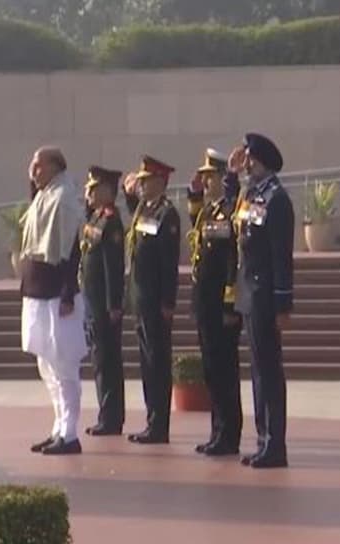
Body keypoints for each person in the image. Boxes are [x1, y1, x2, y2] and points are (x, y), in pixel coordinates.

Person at [19, 146, 88, 456]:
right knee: (46, 364)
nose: (32, 170)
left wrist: (67, 290)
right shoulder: (44, 195)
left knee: (64, 365)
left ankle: (70, 433)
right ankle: (58, 426)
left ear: (54, 166)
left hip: (57, 294)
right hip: (36, 291)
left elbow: (72, 248)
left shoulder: (64, 197)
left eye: (37, 165)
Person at [230, 133, 294, 469]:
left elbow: (281, 256)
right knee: (257, 371)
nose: (246, 163)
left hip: (267, 295)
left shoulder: (276, 199)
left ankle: (275, 444)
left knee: (269, 371)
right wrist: (231, 176)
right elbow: (232, 219)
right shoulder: (252, 194)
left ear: (262, 161)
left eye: (250, 158)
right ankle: (262, 439)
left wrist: (283, 304)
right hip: (250, 294)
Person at [186, 149, 243, 456]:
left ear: (223, 178)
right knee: (211, 369)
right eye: (204, 178)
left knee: (224, 370)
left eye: (210, 177)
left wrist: (230, 304)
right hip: (205, 302)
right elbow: (196, 219)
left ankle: (229, 434)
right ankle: (217, 430)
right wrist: (193, 193)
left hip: (222, 305)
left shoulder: (232, 209)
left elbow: (233, 259)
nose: (206, 183)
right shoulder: (210, 211)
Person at [121, 155, 181, 445]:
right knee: (147, 362)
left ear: (160, 182)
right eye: (140, 182)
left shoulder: (167, 214)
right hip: (141, 298)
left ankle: (160, 425)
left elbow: (168, 264)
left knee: (158, 362)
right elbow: (134, 215)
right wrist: (127, 190)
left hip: (157, 300)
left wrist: (168, 302)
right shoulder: (145, 210)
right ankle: (151, 420)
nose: (141, 187)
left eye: (146, 182)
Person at [80, 165, 126, 436]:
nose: (88, 193)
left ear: (107, 191)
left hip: (104, 305)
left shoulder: (111, 221)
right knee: (99, 360)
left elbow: (113, 266)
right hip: (92, 301)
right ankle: (105, 413)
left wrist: (113, 305)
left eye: (93, 188)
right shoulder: (96, 218)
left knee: (108, 361)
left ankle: (111, 418)